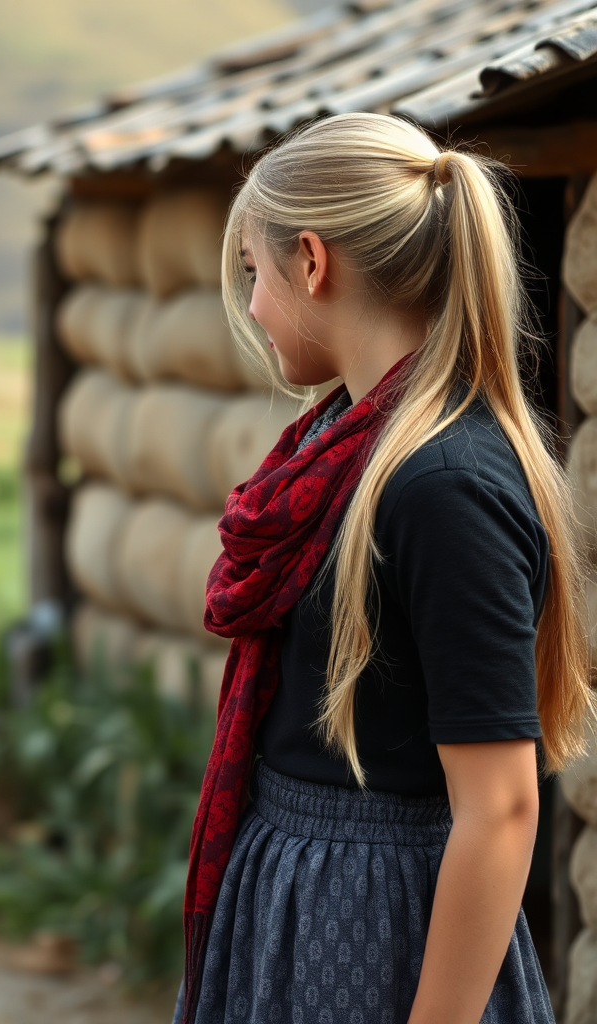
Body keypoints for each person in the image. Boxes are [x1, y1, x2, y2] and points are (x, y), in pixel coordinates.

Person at [177, 113, 594, 1024]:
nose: (251, 305)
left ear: (313, 263)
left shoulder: (444, 485)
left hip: (378, 931)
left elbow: (502, 809)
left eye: (255, 271)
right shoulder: (343, 451)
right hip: (301, 899)